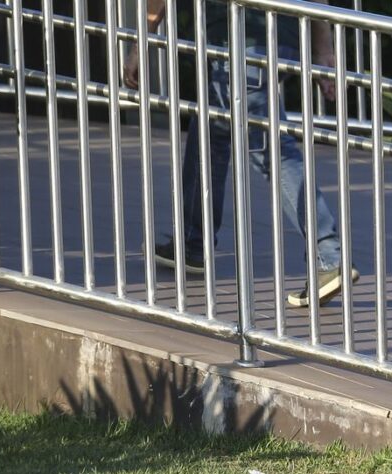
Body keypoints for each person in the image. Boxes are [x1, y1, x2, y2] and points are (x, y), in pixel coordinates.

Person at [123, 0, 358, 307]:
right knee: (210, 133)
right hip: (279, 35)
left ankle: (329, 257)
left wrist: (141, 41)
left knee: (271, 151)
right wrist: (323, 48)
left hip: (242, 36)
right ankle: (193, 243)